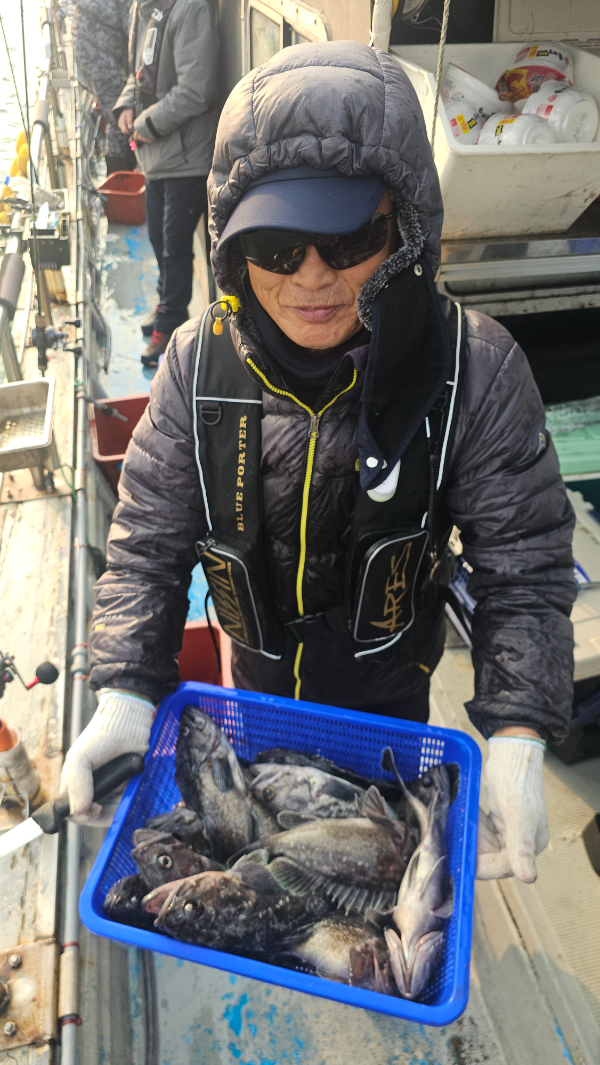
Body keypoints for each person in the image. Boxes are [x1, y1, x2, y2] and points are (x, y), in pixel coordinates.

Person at [62, 42, 576, 883]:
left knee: (383, 866)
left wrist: (518, 732)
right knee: (269, 865)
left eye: (348, 239)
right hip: (254, 689)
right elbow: (147, 544)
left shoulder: (476, 367)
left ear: (402, 232)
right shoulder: (195, 363)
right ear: (234, 248)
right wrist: (123, 689)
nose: (311, 277)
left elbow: (524, 565)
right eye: (275, 246)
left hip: (392, 701)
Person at [114, 0, 220, 367]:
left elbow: (196, 89)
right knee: (159, 240)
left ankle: (171, 323)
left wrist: (144, 125)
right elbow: (139, 73)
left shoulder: (190, 10)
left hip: (187, 159)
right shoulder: (147, 9)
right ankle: (166, 306)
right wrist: (127, 105)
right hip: (157, 158)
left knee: (175, 248)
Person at [73, 0, 136, 174]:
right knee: (118, 115)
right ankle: (119, 176)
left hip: (95, 45)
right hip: (95, 51)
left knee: (118, 114)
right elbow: (133, 27)